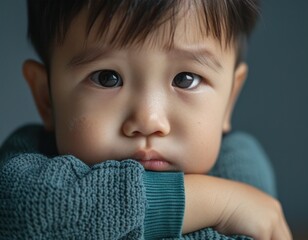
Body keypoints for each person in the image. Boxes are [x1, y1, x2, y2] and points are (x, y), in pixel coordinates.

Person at [0, 0, 292, 239]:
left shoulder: (241, 165)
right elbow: (27, 214)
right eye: (108, 78)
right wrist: (215, 203)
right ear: (46, 97)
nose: (149, 120)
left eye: (186, 79)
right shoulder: (27, 161)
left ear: (229, 99)